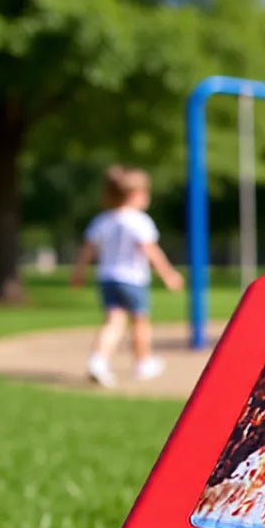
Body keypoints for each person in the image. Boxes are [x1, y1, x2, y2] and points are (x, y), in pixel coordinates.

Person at [70, 165, 183, 387]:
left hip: (107, 278)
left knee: (114, 321)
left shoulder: (102, 220)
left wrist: (79, 273)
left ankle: (98, 360)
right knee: (140, 322)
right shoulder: (139, 221)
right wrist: (168, 274)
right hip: (132, 279)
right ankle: (143, 362)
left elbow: (87, 250)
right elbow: (150, 250)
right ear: (135, 194)